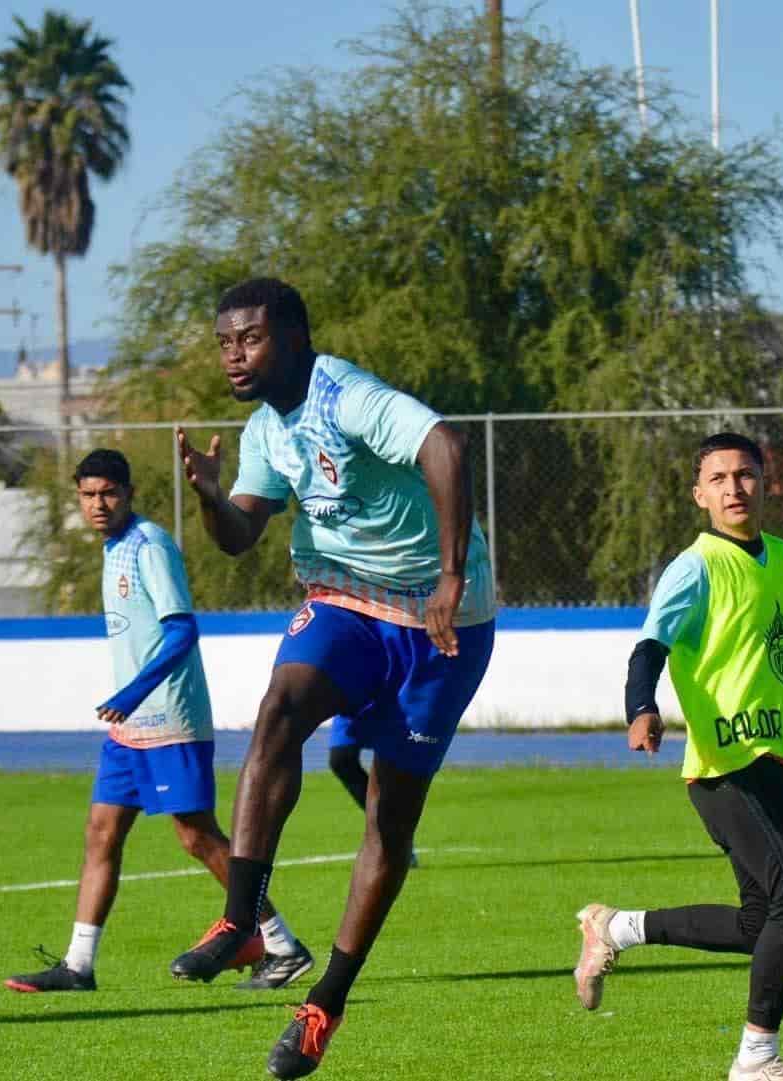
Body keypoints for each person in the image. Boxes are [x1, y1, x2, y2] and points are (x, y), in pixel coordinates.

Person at [172, 278, 495, 1079]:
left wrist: (451, 577)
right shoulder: (264, 429)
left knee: (389, 820)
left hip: (438, 618)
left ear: (292, 336)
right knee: (279, 709)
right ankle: (242, 918)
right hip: (347, 601)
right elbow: (244, 533)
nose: (233, 356)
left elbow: (446, 447)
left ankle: (327, 1001)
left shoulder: (348, 395)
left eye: (247, 339)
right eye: (224, 343)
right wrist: (213, 499)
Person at [572, 432, 783, 1081]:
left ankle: (616, 927)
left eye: (745, 474)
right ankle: (756, 1058)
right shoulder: (693, 567)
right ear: (699, 494)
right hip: (727, 764)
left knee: (763, 922)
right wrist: (640, 707)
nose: (733, 488)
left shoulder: (779, 557)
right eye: (719, 478)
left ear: (764, 482)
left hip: (768, 763)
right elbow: (648, 647)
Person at [4, 448, 312, 995]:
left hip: (169, 714)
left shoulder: (150, 546)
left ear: (129, 494)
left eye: (109, 494)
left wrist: (133, 690)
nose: (99, 504)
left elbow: (182, 632)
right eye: (89, 495)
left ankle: (282, 945)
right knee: (102, 831)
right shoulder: (113, 547)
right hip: (128, 727)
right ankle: (78, 964)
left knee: (195, 836)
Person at [325, 715, 417, 867]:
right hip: (351, 702)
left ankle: (396, 842)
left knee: (391, 764)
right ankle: (394, 832)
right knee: (341, 760)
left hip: (390, 702)